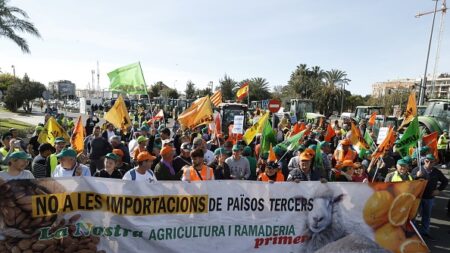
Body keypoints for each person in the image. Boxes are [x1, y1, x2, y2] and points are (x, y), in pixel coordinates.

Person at [412, 154, 448, 239]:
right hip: (418, 197)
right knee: (414, 215)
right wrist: (416, 176)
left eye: (431, 162)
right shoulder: (417, 169)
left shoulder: (436, 171)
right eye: (427, 161)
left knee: (426, 215)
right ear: (424, 161)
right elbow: (409, 180)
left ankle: (425, 231)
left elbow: (445, 181)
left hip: (429, 198)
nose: (428, 163)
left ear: (434, 162)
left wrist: (438, 190)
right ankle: (412, 232)